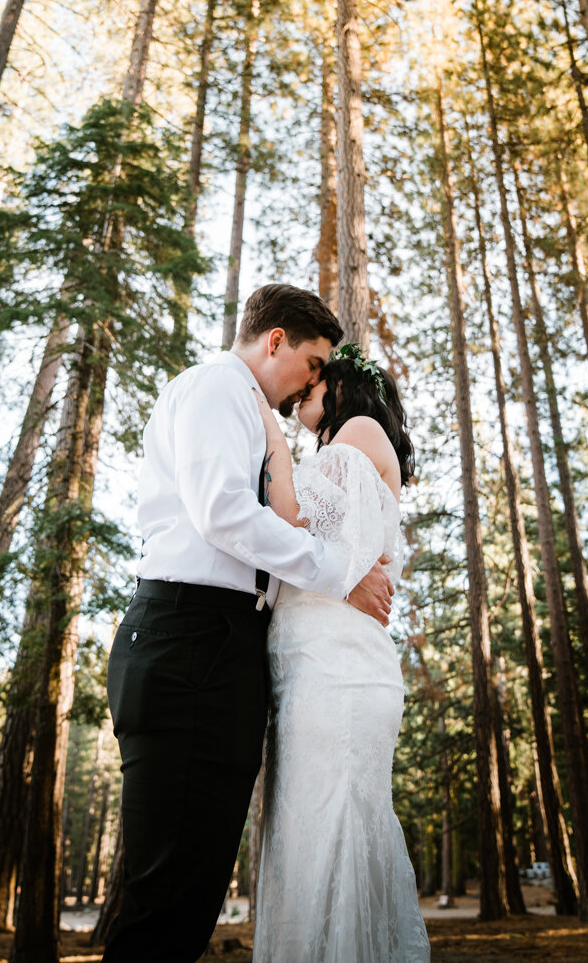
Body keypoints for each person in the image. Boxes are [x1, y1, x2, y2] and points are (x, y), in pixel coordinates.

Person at [103, 285, 395, 963]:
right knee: (164, 898)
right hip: (187, 639)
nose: (312, 385)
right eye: (316, 364)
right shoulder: (217, 389)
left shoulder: (250, 412)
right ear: (275, 342)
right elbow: (223, 515)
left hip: (223, 645)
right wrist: (338, 571)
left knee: (193, 897)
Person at [251, 343, 430, 963]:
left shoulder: (357, 430)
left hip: (340, 676)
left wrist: (271, 436)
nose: (302, 392)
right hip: (314, 669)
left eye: (313, 383)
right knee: (308, 840)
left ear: (344, 387)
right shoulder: (338, 449)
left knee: (330, 837)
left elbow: (296, 518)